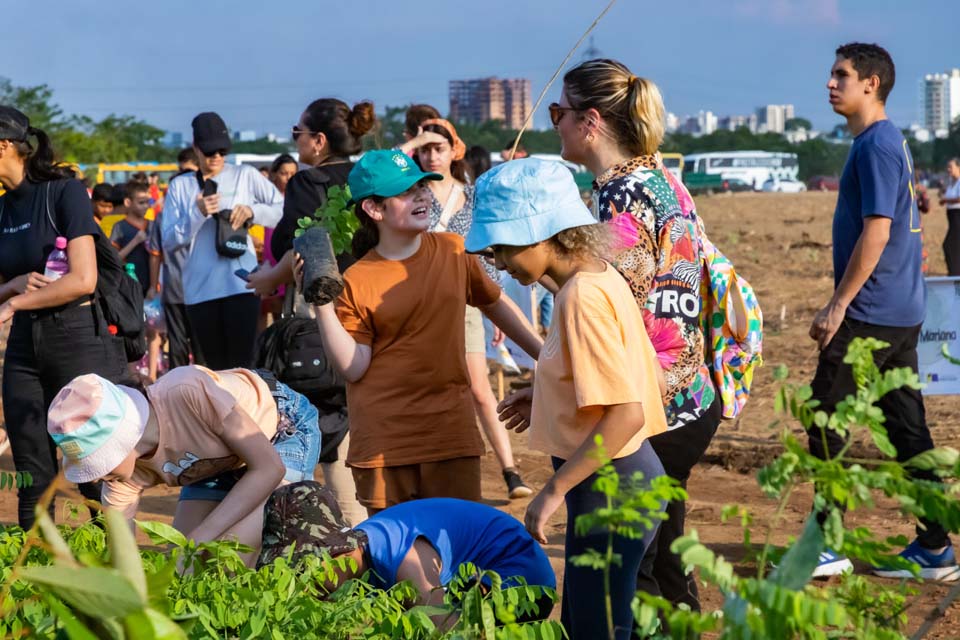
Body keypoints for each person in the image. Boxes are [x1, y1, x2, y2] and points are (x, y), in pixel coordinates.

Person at [468, 158, 667, 639]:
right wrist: (545, 391)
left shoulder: (581, 297)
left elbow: (625, 412)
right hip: (618, 479)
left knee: (600, 627)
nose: (497, 261)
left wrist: (552, 492)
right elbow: (630, 377)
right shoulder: (594, 279)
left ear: (543, 234)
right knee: (589, 622)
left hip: (613, 485)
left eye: (503, 247)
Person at [554, 58, 721, 610]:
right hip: (691, 388)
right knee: (667, 554)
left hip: (658, 398)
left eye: (560, 112)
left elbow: (617, 306)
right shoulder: (659, 177)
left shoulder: (620, 194)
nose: (554, 122)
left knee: (636, 569)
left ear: (591, 121)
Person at [299, 150, 542, 516]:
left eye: (422, 187)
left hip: (450, 432)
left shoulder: (454, 251)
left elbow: (497, 305)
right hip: (386, 441)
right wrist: (321, 304)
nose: (422, 195)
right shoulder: (356, 280)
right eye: (406, 191)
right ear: (373, 209)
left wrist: (548, 357)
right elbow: (353, 367)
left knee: (459, 550)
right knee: (396, 556)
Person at [808, 43, 956, 580]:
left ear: (871, 83)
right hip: (899, 311)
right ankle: (936, 547)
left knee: (826, 419)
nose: (830, 83)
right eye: (831, 73)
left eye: (841, 75)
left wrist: (837, 305)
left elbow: (878, 230)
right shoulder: (888, 141)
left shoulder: (875, 145)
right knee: (905, 429)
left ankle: (825, 544)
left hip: (869, 312)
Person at [246, 99, 376, 526]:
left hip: (322, 313)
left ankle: (327, 537)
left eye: (297, 132)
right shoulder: (366, 179)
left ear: (318, 141)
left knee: (320, 422)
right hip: (372, 307)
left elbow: (309, 246)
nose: (296, 140)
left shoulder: (309, 183)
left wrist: (268, 278)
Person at [46, 365, 320, 566]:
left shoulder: (185, 390)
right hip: (215, 462)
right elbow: (125, 561)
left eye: (98, 463)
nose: (96, 478)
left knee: (229, 554)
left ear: (123, 439)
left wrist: (204, 533)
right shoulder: (120, 478)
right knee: (183, 566)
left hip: (280, 433)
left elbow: (270, 468)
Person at [0, 105, 129, 528]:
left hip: (77, 336)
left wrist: (15, 303)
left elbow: (83, 279)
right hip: (24, 346)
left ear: (5, 145)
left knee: (95, 464)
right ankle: (32, 578)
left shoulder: (63, 192)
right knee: (31, 472)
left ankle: (111, 578)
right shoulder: (2, 211)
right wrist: (13, 287)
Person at [401, 118, 533, 500]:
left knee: (478, 388)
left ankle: (510, 470)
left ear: (454, 150)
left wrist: (495, 305)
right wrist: (413, 142)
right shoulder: (409, 196)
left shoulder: (471, 194)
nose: (431, 154)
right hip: (418, 304)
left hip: (467, 299)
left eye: (438, 147)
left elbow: (488, 252)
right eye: (424, 148)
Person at [258, 481, 556, 617]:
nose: (300, 584)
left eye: (303, 569)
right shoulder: (358, 561)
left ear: (336, 552)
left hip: (519, 580)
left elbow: (445, 626)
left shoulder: (401, 557)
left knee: (434, 620)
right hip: (464, 581)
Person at [161, 112, 283, 370]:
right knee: (213, 369)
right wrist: (197, 213)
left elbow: (282, 209)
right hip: (200, 291)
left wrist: (252, 212)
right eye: (209, 151)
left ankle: (247, 411)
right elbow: (169, 241)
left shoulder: (245, 175)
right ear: (196, 148)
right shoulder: (181, 187)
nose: (216, 157)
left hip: (241, 285)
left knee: (244, 366)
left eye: (221, 151)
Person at [110, 180, 153, 295]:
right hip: (128, 285)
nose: (146, 206)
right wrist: (135, 241)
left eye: (147, 202)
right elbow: (114, 259)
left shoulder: (152, 225)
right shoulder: (119, 227)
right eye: (141, 202)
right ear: (128, 202)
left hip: (150, 285)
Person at [940, 157, 960, 276]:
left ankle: (954, 274)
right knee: (954, 246)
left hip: (958, 217)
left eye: (950, 167)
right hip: (952, 219)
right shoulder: (952, 182)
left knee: (948, 245)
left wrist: (945, 200)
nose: (948, 169)